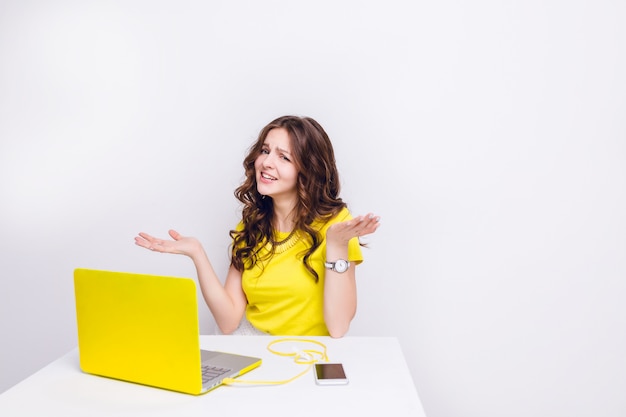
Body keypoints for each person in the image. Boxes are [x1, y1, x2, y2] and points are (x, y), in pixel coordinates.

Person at [134, 115, 380, 337]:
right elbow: (228, 321)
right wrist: (197, 253)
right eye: (265, 151)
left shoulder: (337, 224)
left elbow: (338, 328)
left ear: (308, 170)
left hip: (308, 355)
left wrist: (337, 246)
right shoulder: (252, 224)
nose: (266, 162)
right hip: (254, 346)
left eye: (284, 157)